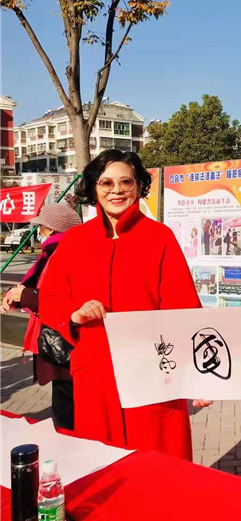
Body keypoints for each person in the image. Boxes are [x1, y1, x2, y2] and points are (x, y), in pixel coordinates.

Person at [39, 150, 211, 460]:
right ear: (94, 188)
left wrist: (197, 375)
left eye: (125, 182)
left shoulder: (160, 238)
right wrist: (74, 315)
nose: (116, 190)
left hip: (154, 371)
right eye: (106, 183)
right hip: (95, 374)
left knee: (159, 464)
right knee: (102, 465)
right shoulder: (75, 242)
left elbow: (184, 309)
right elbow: (51, 300)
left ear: (138, 186)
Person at [1, 202, 82, 430]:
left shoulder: (68, 252)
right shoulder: (52, 251)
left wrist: (25, 295)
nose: (39, 231)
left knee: (68, 414)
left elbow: (64, 297)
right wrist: (18, 295)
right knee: (64, 405)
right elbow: (38, 286)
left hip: (66, 346)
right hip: (58, 344)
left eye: (42, 227)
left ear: (53, 228)